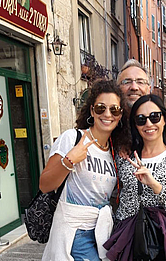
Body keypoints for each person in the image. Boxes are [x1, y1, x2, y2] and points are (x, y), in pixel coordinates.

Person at [39, 80, 129, 261]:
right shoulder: (73, 138)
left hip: (102, 231)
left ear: (120, 116)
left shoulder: (114, 150)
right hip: (74, 232)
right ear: (92, 111)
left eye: (114, 110)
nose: (107, 114)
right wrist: (69, 160)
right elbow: (45, 185)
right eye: (101, 108)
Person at [104, 94, 166, 261]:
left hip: (162, 241)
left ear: (164, 120)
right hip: (127, 240)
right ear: (135, 125)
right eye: (141, 119)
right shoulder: (125, 157)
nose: (149, 124)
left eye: (154, 117)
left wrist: (154, 184)